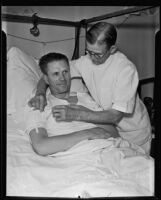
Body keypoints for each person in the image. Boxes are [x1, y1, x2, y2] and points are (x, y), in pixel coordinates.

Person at [28, 22, 152, 154]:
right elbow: (52, 73)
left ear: (112, 49)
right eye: (89, 51)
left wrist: (77, 114)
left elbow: (115, 116)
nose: (92, 58)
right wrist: (40, 93)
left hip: (133, 132)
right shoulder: (86, 61)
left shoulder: (125, 70)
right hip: (107, 130)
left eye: (97, 54)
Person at [25, 52, 118, 156]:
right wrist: (88, 133)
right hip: (84, 157)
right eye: (56, 74)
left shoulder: (85, 98)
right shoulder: (40, 104)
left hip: (114, 150)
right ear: (46, 79)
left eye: (65, 72)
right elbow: (41, 146)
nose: (62, 78)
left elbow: (114, 133)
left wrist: (84, 113)